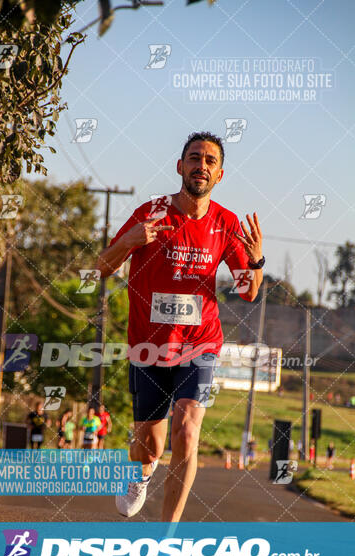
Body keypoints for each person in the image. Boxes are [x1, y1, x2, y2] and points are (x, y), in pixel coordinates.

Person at [96, 131, 264, 522]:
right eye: (194, 158)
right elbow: (99, 269)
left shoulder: (226, 223)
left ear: (219, 174)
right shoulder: (150, 211)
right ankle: (141, 471)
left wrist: (255, 263)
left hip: (199, 344)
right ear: (180, 167)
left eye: (209, 161)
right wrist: (131, 241)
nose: (200, 166)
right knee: (150, 446)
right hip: (149, 346)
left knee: (187, 430)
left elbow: (247, 292)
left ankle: (166, 538)